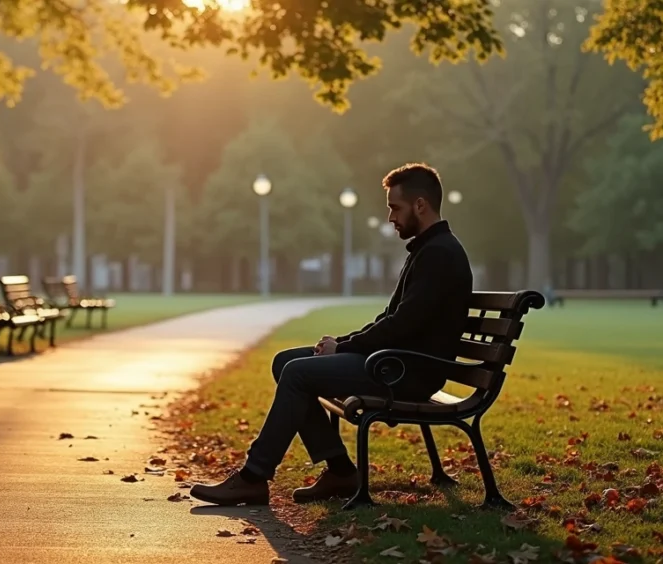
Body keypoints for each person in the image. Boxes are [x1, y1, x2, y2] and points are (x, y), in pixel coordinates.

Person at [189, 163, 473, 506]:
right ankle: (340, 471)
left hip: (407, 372)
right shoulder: (429, 250)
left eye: (395, 208)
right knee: (287, 362)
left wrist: (344, 347)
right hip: (395, 362)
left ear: (421, 205)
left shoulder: (440, 254)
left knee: (298, 373)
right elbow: (392, 320)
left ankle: (254, 476)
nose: (390, 218)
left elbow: (401, 326)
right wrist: (343, 344)